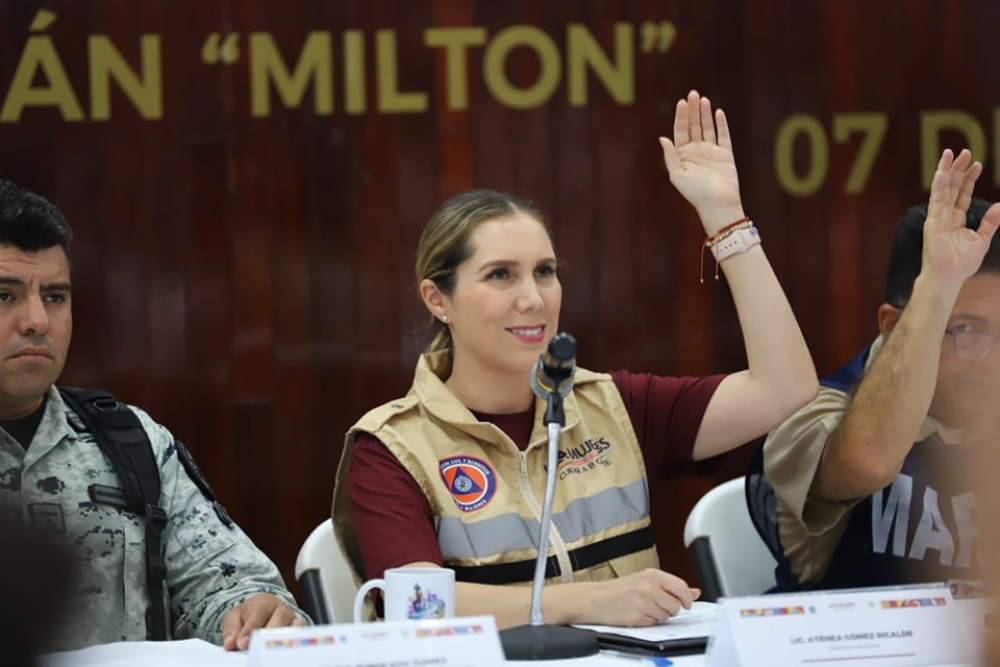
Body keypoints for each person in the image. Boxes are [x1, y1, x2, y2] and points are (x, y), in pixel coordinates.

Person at [332, 90, 818, 629]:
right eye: (500, 275)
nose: (533, 298)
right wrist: (588, 602)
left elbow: (786, 388)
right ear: (437, 299)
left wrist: (725, 219)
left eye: (545, 271)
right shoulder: (392, 448)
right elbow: (417, 609)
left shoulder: (614, 405)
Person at [0, 180, 308, 652]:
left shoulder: (128, 441)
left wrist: (254, 610)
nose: (37, 320)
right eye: (6, 296)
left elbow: (228, 583)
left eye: (55, 297)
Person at [759, 149, 1000, 594]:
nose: (991, 360)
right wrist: (938, 284)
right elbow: (867, 461)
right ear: (892, 327)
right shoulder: (812, 414)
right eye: (966, 330)